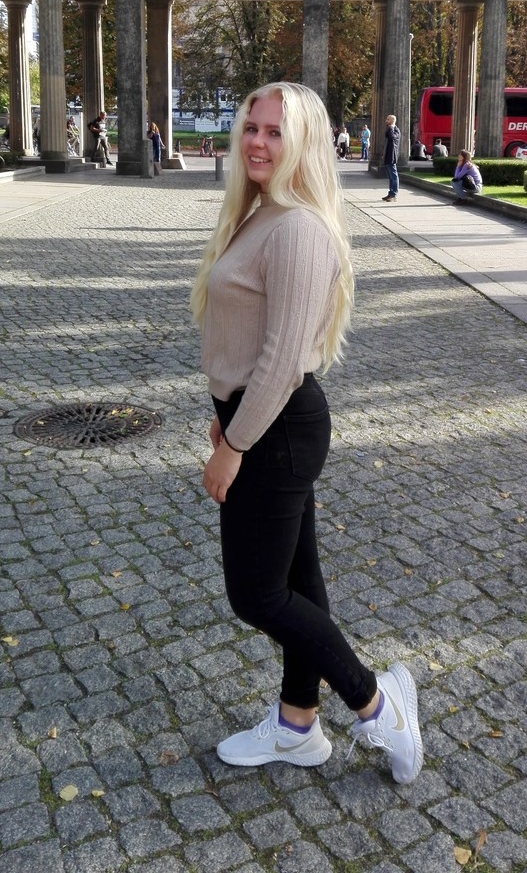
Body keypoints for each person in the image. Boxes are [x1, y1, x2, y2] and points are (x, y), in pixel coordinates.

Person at [190, 81, 423, 783]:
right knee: (299, 582)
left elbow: (282, 360)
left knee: (257, 595)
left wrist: (234, 446)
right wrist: (224, 413)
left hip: (276, 429)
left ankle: (377, 705)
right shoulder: (262, 212)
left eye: (275, 131)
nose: (257, 142)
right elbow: (247, 338)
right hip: (258, 418)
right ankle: (297, 728)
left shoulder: (295, 228)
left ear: (304, 144)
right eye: (251, 127)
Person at [382, 113, 401, 202]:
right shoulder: (390, 129)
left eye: (388, 119)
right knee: (391, 177)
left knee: (394, 176)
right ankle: (391, 193)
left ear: (392, 121)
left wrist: (391, 127)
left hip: (392, 156)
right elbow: (388, 136)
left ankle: (394, 195)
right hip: (388, 156)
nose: (386, 121)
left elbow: (392, 137)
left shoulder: (396, 130)